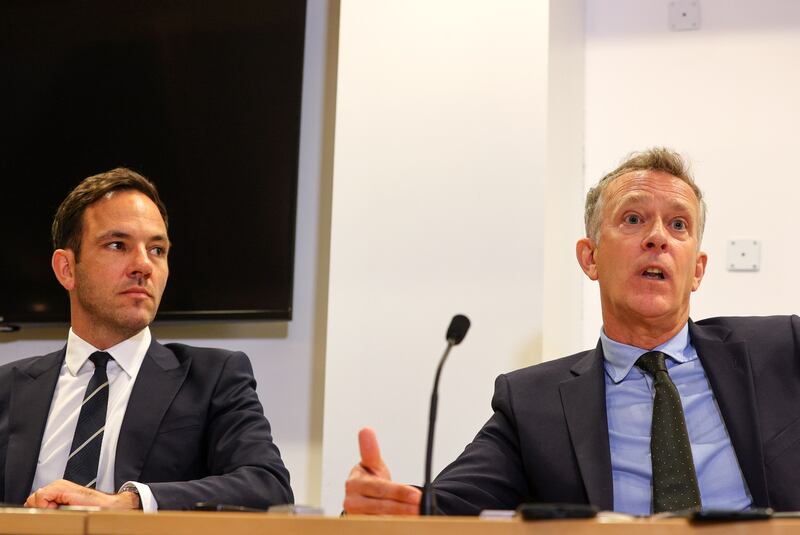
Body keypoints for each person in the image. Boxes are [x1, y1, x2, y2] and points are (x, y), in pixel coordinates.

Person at [343, 147, 800, 516]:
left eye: (678, 225)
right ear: (590, 258)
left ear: (697, 269)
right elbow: (450, 506)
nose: (657, 237)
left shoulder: (780, 351)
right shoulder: (534, 404)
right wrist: (388, 505)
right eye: (634, 219)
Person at [0, 168, 293, 511]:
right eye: (117, 245)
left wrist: (133, 502)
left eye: (157, 249)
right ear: (67, 269)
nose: (143, 265)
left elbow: (268, 485)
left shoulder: (214, 377)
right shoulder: (9, 387)